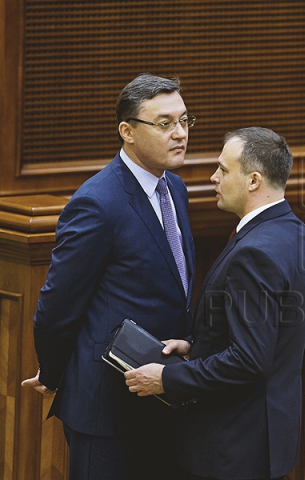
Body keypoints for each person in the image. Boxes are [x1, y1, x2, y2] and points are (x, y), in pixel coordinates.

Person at [21, 73, 196, 479]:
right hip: (107, 409)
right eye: (165, 123)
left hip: (164, 392)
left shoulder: (177, 189)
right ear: (127, 131)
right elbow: (58, 305)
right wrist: (53, 371)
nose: (180, 134)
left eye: (185, 121)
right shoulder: (97, 203)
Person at [124, 127, 305, 480]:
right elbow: (267, 333)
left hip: (232, 447)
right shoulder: (298, 232)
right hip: (267, 438)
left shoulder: (254, 252)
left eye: (223, 170)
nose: (213, 178)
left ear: (253, 180)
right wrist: (200, 345)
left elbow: (249, 360)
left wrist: (169, 377)